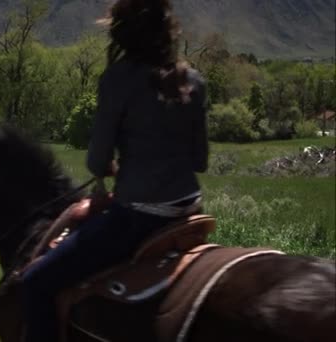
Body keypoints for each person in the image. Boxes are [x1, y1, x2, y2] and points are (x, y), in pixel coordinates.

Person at [20, 0, 209, 341]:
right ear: (167, 30)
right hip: (190, 212)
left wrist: (115, 166)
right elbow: (199, 161)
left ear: (121, 33)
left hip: (137, 219)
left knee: (35, 283)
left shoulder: (118, 79)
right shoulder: (193, 81)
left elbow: (96, 162)